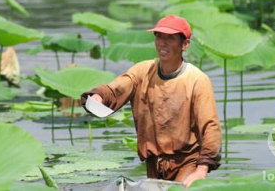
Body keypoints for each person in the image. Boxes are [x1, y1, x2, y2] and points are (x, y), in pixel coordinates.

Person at [81, 15, 222, 188]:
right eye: (159, 36)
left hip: (186, 161)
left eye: (170, 38)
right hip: (153, 162)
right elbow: (117, 88)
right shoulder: (143, 71)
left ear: (184, 44)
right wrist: (99, 96)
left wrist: (201, 170)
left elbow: (211, 126)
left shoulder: (197, 80)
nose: (162, 43)